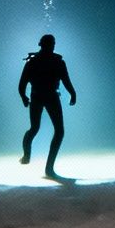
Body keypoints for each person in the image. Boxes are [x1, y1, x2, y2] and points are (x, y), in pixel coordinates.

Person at [17, 33, 76, 181]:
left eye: (52, 44)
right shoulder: (35, 62)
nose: (52, 46)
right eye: (51, 44)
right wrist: (24, 96)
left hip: (46, 97)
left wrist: (73, 93)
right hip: (44, 97)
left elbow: (65, 80)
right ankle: (29, 157)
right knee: (37, 128)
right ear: (43, 45)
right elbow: (22, 85)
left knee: (49, 130)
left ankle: (48, 167)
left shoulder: (55, 62)